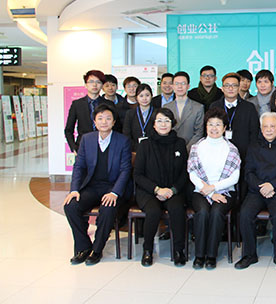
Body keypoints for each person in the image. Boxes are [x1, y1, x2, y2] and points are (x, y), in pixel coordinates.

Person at [63, 104, 132, 265]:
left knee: (107, 209)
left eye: (108, 118)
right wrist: (74, 189)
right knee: (71, 206)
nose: (104, 122)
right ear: (94, 121)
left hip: (113, 187)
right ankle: (83, 247)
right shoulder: (87, 139)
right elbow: (79, 166)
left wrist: (115, 192)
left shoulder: (123, 141)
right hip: (92, 186)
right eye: (100, 118)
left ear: (114, 122)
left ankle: (97, 249)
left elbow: (125, 170)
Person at [235, 112, 276, 271]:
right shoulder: (253, 147)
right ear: (261, 129)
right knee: (245, 213)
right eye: (265, 126)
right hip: (257, 190)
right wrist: (262, 187)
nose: (269, 130)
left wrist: (272, 185)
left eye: (272, 126)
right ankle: (249, 254)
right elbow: (248, 172)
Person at [133, 107, 188, 266]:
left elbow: (185, 172)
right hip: (149, 191)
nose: (163, 124)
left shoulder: (180, 143)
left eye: (167, 121)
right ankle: (147, 250)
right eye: (160, 121)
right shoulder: (145, 145)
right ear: (154, 124)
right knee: (153, 211)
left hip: (173, 190)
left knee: (177, 209)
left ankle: (179, 250)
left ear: (173, 123)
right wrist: (156, 189)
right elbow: (138, 174)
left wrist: (173, 190)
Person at [188, 107, 241, 269]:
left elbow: (234, 178)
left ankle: (211, 255)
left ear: (224, 128)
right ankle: (199, 255)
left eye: (218, 124)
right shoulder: (197, 147)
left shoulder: (231, 149)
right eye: (210, 124)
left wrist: (214, 188)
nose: (214, 128)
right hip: (200, 190)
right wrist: (210, 192)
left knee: (217, 212)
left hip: (225, 191)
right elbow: (192, 173)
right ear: (206, 126)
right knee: (203, 212)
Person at [209, 72, 259, 161]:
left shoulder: (249, 107)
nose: (230, 88)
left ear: (239, 88)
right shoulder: (214, 106)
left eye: (234, 85)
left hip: (244, 155)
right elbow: (209, 130)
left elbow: (254, 133)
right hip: (218, 154)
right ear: (222, 88)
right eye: (227, 85)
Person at [64, 70, 114, 153]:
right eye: (91, 82)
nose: (94, 85)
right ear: (85, 85)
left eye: (98, 82)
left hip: (105, 146)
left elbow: (115, 127)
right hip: (83, 146)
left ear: (102, 85)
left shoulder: (109, 104)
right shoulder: (77, 104)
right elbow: (68, 129)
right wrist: (74, 148)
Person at [164, 71, 205, 151]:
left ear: (188, 86)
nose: (180, 86)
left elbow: (198, 133)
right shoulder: (166, 107)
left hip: (190, 150)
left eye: (183, 83)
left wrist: (185, 149)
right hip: (169, 149)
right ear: (172, 86)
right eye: (177, 83)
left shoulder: (198, 107)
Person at [122, 83, 155, 152]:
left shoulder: (157, 113)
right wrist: (136, 147)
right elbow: (126, 134)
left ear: (152, 96)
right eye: (141, 96)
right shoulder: (130, 113)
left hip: (154, 149)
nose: (144, 98)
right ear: (136, 97)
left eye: (147, 95)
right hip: (135, 149)